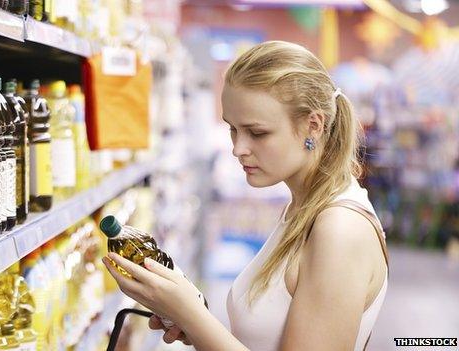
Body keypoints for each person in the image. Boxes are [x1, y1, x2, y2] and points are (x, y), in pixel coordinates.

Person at [102, 41, 389, 351]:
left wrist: (191, 314)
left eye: (257, 132)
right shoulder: (304, 208)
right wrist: (190, 320)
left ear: (314, 125)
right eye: (233, 129)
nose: (238, 148)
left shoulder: (340, 230)